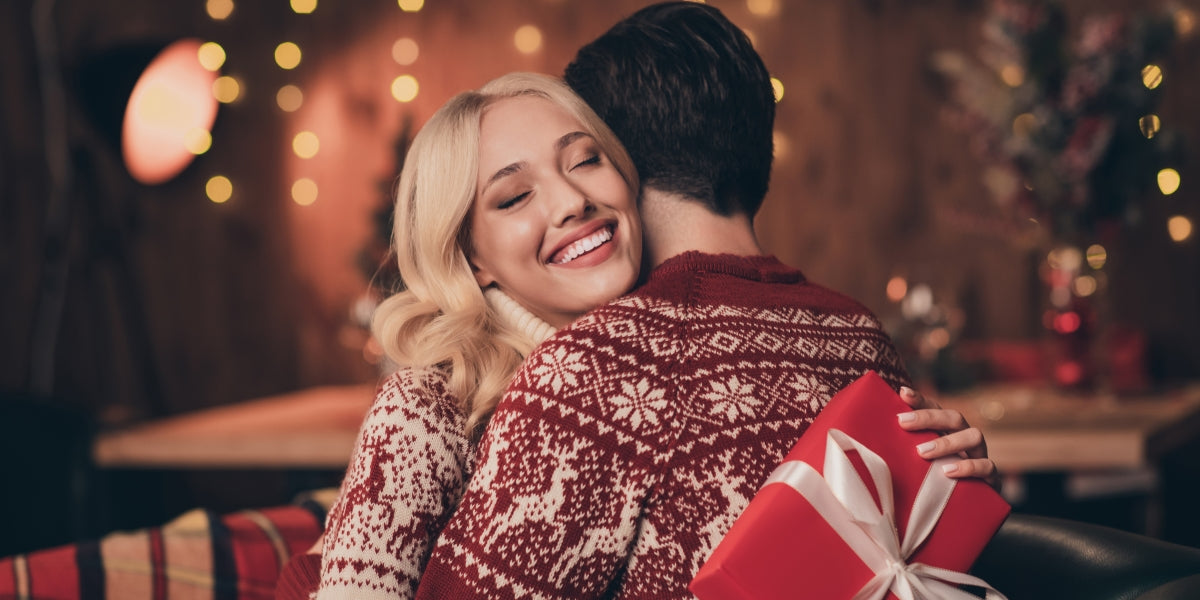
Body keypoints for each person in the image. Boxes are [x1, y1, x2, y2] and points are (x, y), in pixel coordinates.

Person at [415, 3, 995, 598]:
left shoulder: (599, 365)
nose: (568, 197)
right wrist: (963, 484)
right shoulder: (859, 331)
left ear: (619, 162)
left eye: (585, 157)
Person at [275, 71, 643, 597]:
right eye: (514, 197)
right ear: (473, 258)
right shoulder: (428, 408)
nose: (571, 201)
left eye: (585, 159)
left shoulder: (683, 359)